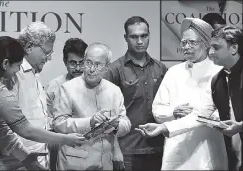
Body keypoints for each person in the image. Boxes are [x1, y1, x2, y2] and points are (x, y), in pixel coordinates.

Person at [0, 36, 86, 170]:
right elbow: (27, 130)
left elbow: (1, 128)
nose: (18, 71)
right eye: (17, 66)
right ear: (5, 64)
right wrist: (66, 139)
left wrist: (28, 160)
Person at [135, 18, 230, 170]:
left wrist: (209, 117)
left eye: (192, 42)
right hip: (176, 152)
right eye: (184, 42)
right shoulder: (174, 72)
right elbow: (158, 109)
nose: (186, 47)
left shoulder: (218, 71)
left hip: (207, 151)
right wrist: (173, 112)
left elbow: (224, 113)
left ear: (206, 43)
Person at [52, 43, 131, 170]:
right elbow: (58, 124)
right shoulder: (67, 88)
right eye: (88, 63)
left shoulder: (114, 91)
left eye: (98, 65)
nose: (91, 69)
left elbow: (126, 122)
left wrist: (116, 125)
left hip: (105, 162)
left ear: (107, 67)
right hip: (74, 162)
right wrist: (90, 121)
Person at [104, 16, 167, 170]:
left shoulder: (161, 69)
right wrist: (115, 149)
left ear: (149, 36)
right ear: (126, 38)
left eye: (144, 36)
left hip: (158, 147)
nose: (140, 41)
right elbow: (108, 115)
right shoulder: (114, 70)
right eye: (134, 37)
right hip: (127, 150)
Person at [45, 38, 87, 170]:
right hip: (62, 148)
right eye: (73, 63)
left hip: (92, 147)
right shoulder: (54, 86)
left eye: (82, 63)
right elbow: (45, 117)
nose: (78, 68)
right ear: (65, 62)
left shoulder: (97, 86)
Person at [209, 25, 242, 170]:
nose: (210, 52)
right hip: (233, 161)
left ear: (234, 48)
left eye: (216, 47)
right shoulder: (216, 81)